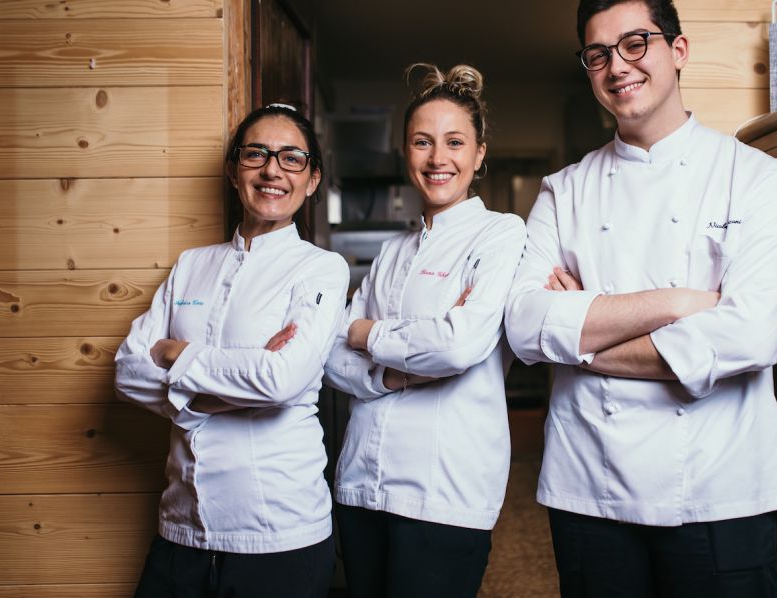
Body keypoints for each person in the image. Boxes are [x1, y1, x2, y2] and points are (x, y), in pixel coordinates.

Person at [504, 1, 777, 596]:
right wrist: (677, 302)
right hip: (591, 486)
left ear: (679, 50)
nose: (617, 65)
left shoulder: (756, 177)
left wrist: (580, 337)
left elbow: (747, 335)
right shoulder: (563, 191)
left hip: (721, 487)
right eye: (598, 55)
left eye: (635, 43)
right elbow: (521, 325)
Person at [115, 102, 348, 598]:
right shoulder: (191, 265)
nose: (272, 170)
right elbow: (128, 370)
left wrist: (178, 354)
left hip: (278, 533)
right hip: (181, 527)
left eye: (292, 159)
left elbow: (281, 379)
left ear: (312, 180)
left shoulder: (321, 268)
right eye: (256, 154)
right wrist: (212, 396)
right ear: (232, 169)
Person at [323, 63, 526, 598]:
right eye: (422, 142)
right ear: (405, 153)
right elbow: (329, 360)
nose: (439, 159)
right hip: (361, 485)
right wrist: (396, 374)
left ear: (479, 154)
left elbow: (459, 344)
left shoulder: (500, 234)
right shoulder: (391, 252)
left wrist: (367, 334)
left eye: (455, 142)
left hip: (444, 492)